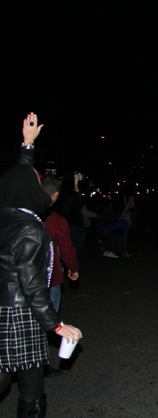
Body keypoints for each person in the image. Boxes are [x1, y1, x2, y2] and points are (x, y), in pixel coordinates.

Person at [0, 113, 82, 417]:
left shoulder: (6, 216)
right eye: (36, 182)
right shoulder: (31, 230)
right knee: (25, 386)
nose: (40, 186)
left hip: (4, 308)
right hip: (20, 314)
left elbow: (18, 178)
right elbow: (33, 287)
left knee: (23, 378)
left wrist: (28, 145)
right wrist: (56, 325)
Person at [40, 176, 80, 313]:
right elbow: (66, 250)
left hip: (24, 279)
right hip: (50, 278)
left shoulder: (21, 216)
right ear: (56, 195)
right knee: (50, 318)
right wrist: (73, 268)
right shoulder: (57, 221)